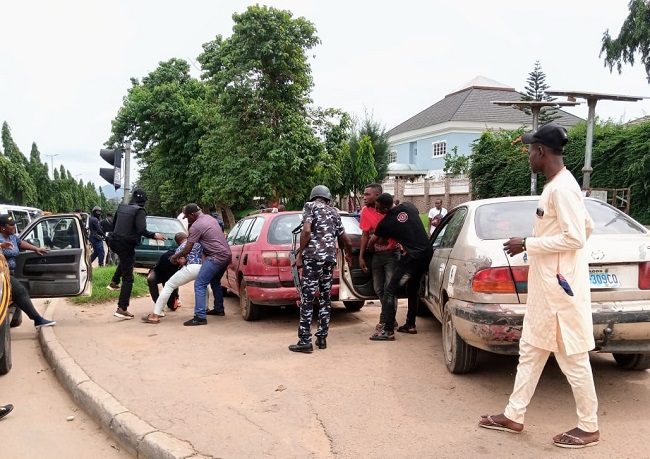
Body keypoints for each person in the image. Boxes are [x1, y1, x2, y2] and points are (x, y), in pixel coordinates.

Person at [478, 124, 600, 449]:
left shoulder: (562, 188)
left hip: (559, 293)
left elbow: (576, 237)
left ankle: (589, 427)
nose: (529, 154)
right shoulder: (557, 186)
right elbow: (586, 226)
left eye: (531, 149)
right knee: (531, 351)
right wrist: (547, 253)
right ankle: (513, 415)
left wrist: (531, 244)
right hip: (548, 289)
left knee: (572, 358)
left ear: (542, 152)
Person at [289, 185, 352, 353]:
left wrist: (300, 254)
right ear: (328, 198)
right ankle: (322, 338)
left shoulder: (309, 206)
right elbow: (346, 240)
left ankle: (304, 340)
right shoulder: (334, 212)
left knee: (307, 299)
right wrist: (349, 254)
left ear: (313, 197)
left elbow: (307, 230)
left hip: (313, 259)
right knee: (325, 298)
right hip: (330, 260)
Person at [369, 194, 433, 341]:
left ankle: (388, 330)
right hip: (427, 253)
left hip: (413, 257)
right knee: (412, 289)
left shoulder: (386, 223)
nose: (377, 211)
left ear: (385, 207)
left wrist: (370, 247)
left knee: (390, 291)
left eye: (378, 209)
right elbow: (410, 221)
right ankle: (410, 325)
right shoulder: (409, 206)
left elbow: (379, 241)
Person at [108, 188, 167, 319]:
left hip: (114, 241)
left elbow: (114, 225)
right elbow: (141, 229)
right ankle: (122, 308)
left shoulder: (122, 207)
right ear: (144, 201)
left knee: (127, 261)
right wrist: (154, 235)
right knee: (129, 278)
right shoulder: (139, 211)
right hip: (125, 244)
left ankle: (114, 281)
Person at [170, 203, 231, 326]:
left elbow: (187, 249)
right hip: (226, 255)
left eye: (187, 217)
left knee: (200, 283)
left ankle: (200, 317)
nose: (187, 219)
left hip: (216, 257)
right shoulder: (210, 218)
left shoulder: (196, 226)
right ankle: (219, 309)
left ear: (192, 215)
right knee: (215, 281)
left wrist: (175, 256)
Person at [0, 215, 56, 328]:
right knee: (21, 291)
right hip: (2, 275)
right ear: (2, 227)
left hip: (11, 272)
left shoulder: (12, 237)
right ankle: (37, 319)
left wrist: (36, 248)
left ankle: (13, 321)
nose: (14, 227)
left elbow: (20, 243)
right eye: (11, 225)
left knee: (15, 297)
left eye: (14, 224)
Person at [357, 183, 400, 330]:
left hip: (392, 254)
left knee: (390, 289)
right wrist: (361, 256)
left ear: (377, 195)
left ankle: (386, 320)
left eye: (367, 194)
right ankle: (389, 317)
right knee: (378, 289)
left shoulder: (390, 209)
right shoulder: (365, 211)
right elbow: (364, 235)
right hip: (376, 254)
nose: (364, 197)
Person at [142, 234, 203, 324]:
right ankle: (203, 311)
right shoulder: (199, 244)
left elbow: (182, 261)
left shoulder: (181, 248)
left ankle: (156, 315)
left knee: (169, 287)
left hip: (189, 268)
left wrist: (179, 260)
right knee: (202, 286)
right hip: (203, 268)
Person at [146, 232, 185, 313]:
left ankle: (175, 299)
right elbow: (156, 268)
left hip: (170, 278)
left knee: (172, 307)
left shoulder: (187, 253)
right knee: (151, 279)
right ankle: (158, 306)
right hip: (160, 273)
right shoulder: (168, 255)